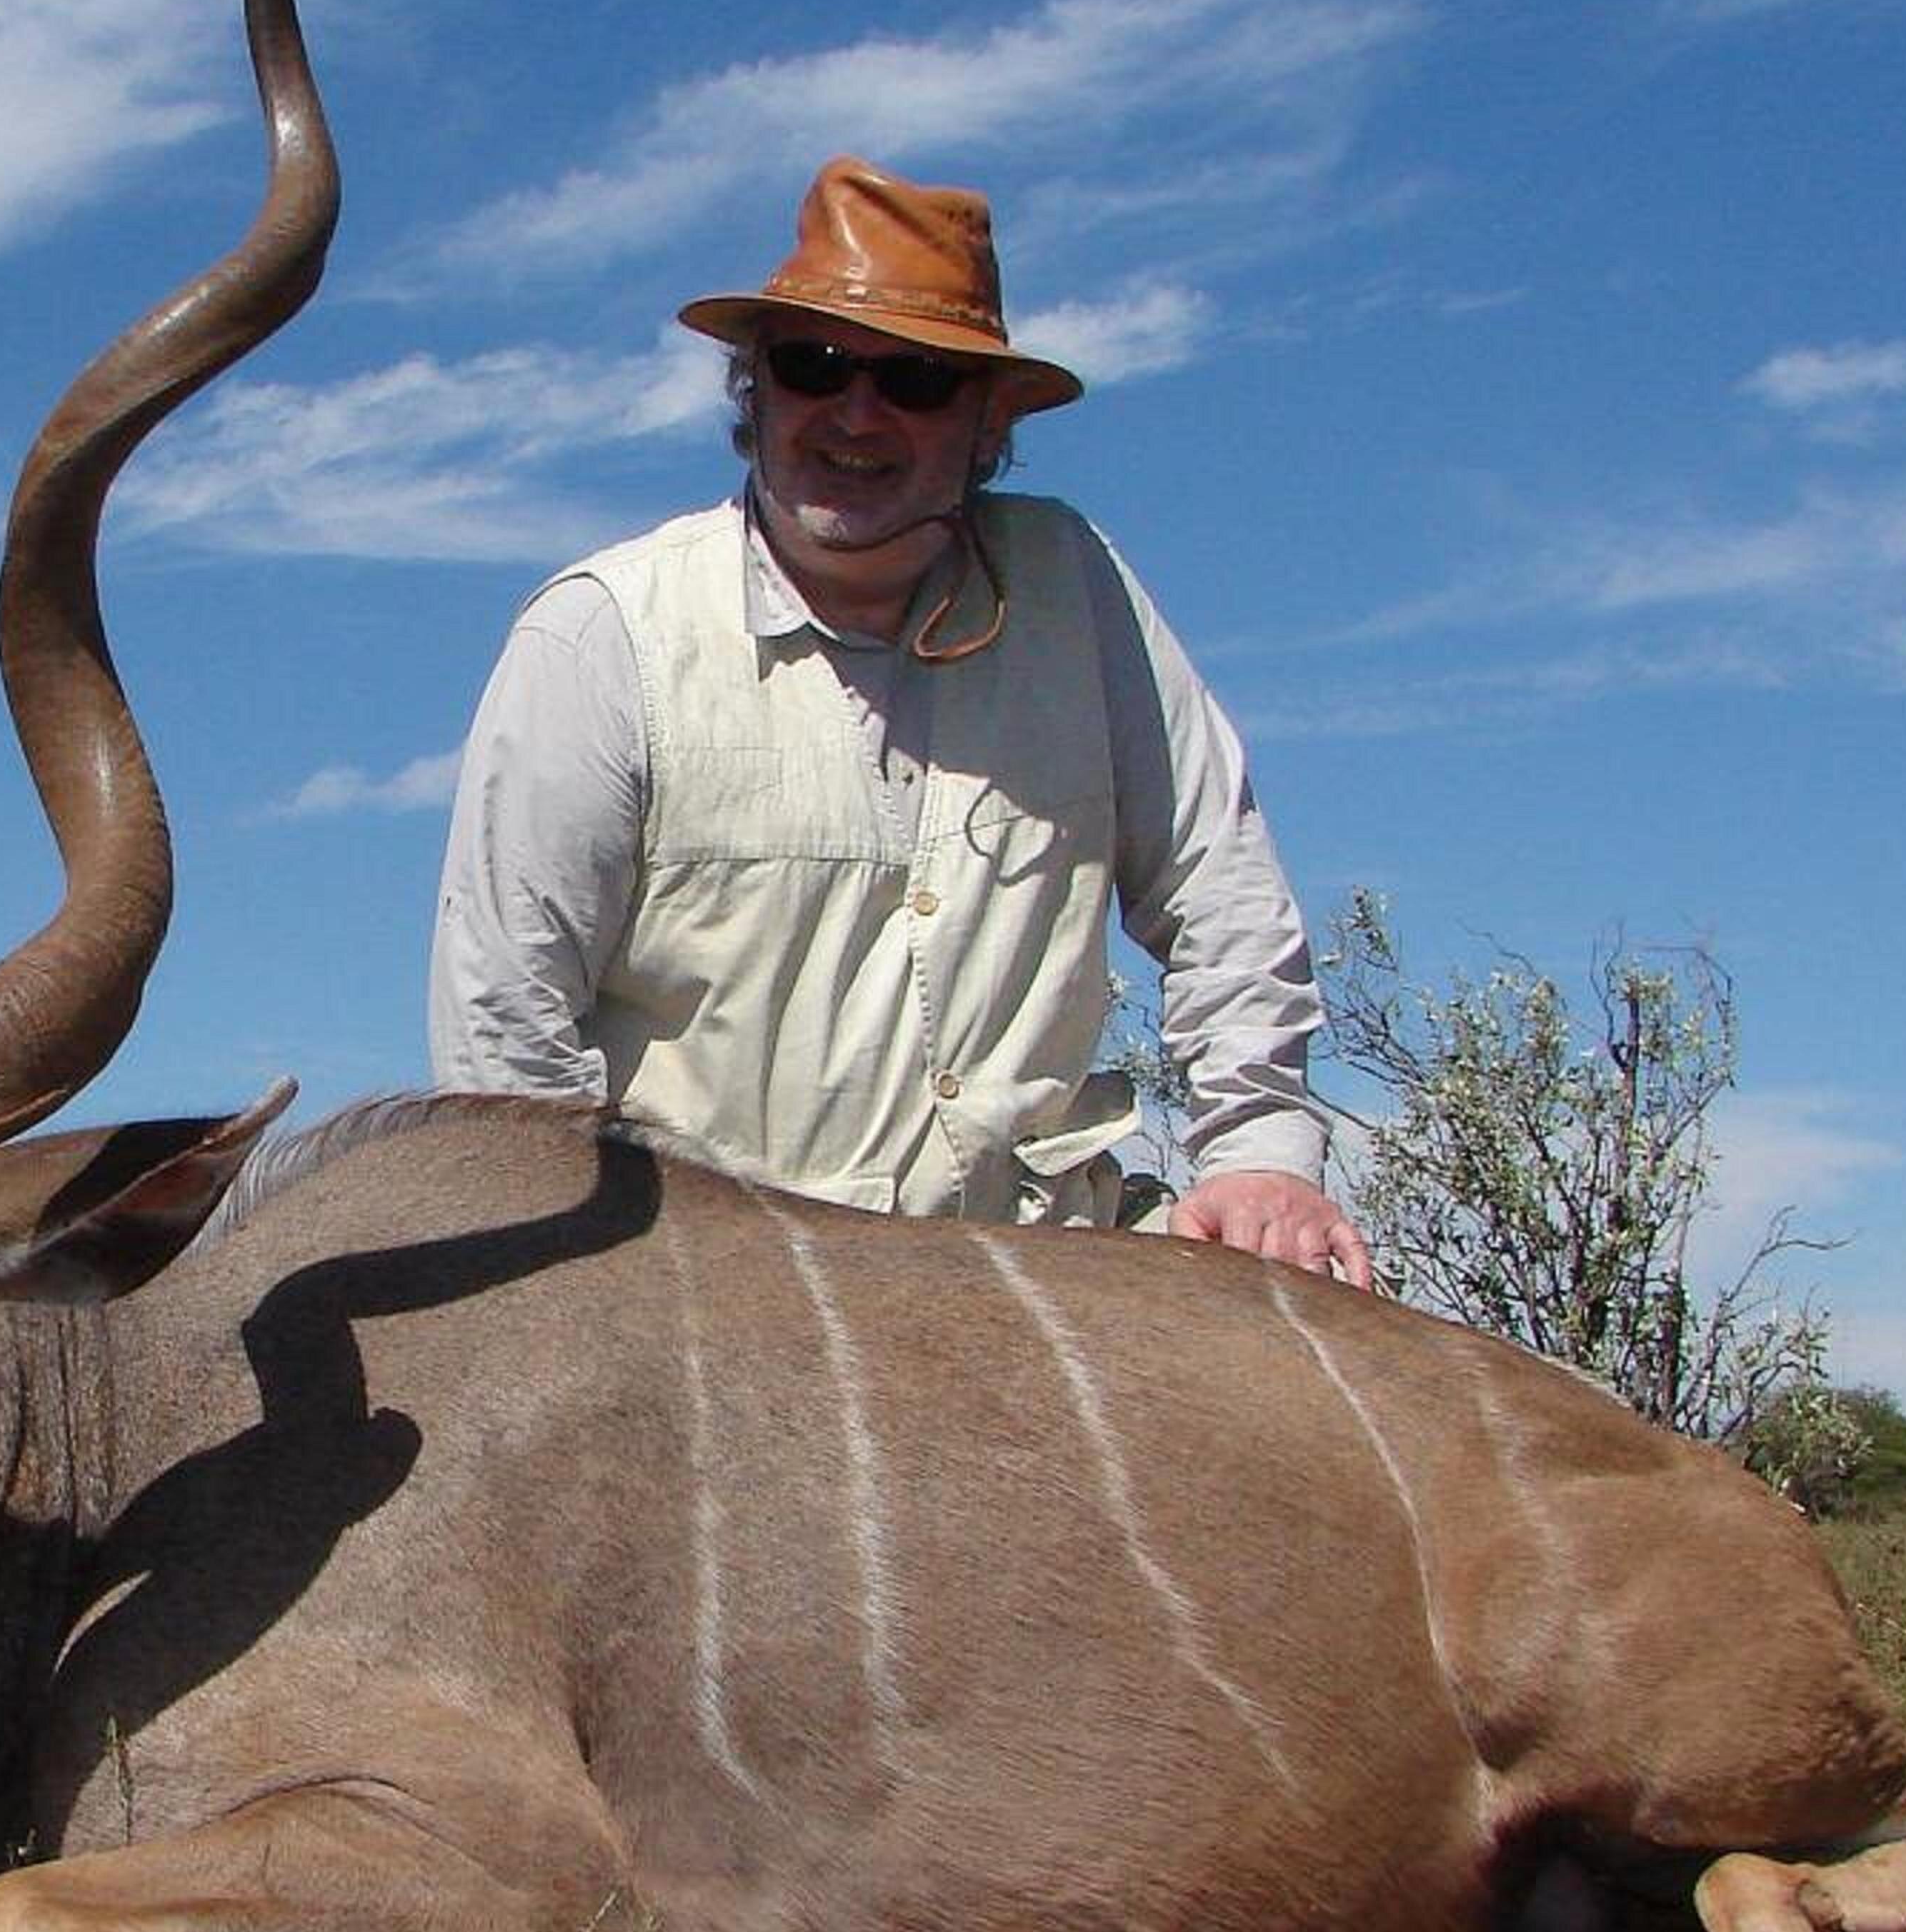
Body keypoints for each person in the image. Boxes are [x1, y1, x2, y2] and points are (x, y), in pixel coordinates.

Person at [430, 158, 1372, 1283]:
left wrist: (1261, 1156)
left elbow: (1218, 889)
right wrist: (584, 1288)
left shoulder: (1076, 586)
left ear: (988, 424)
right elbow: (507, 1024)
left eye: (917, 379)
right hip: (713, 1293)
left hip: (1040, 1276)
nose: (856, 414)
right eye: (813, 366)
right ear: (756, 392)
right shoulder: (603, 632)